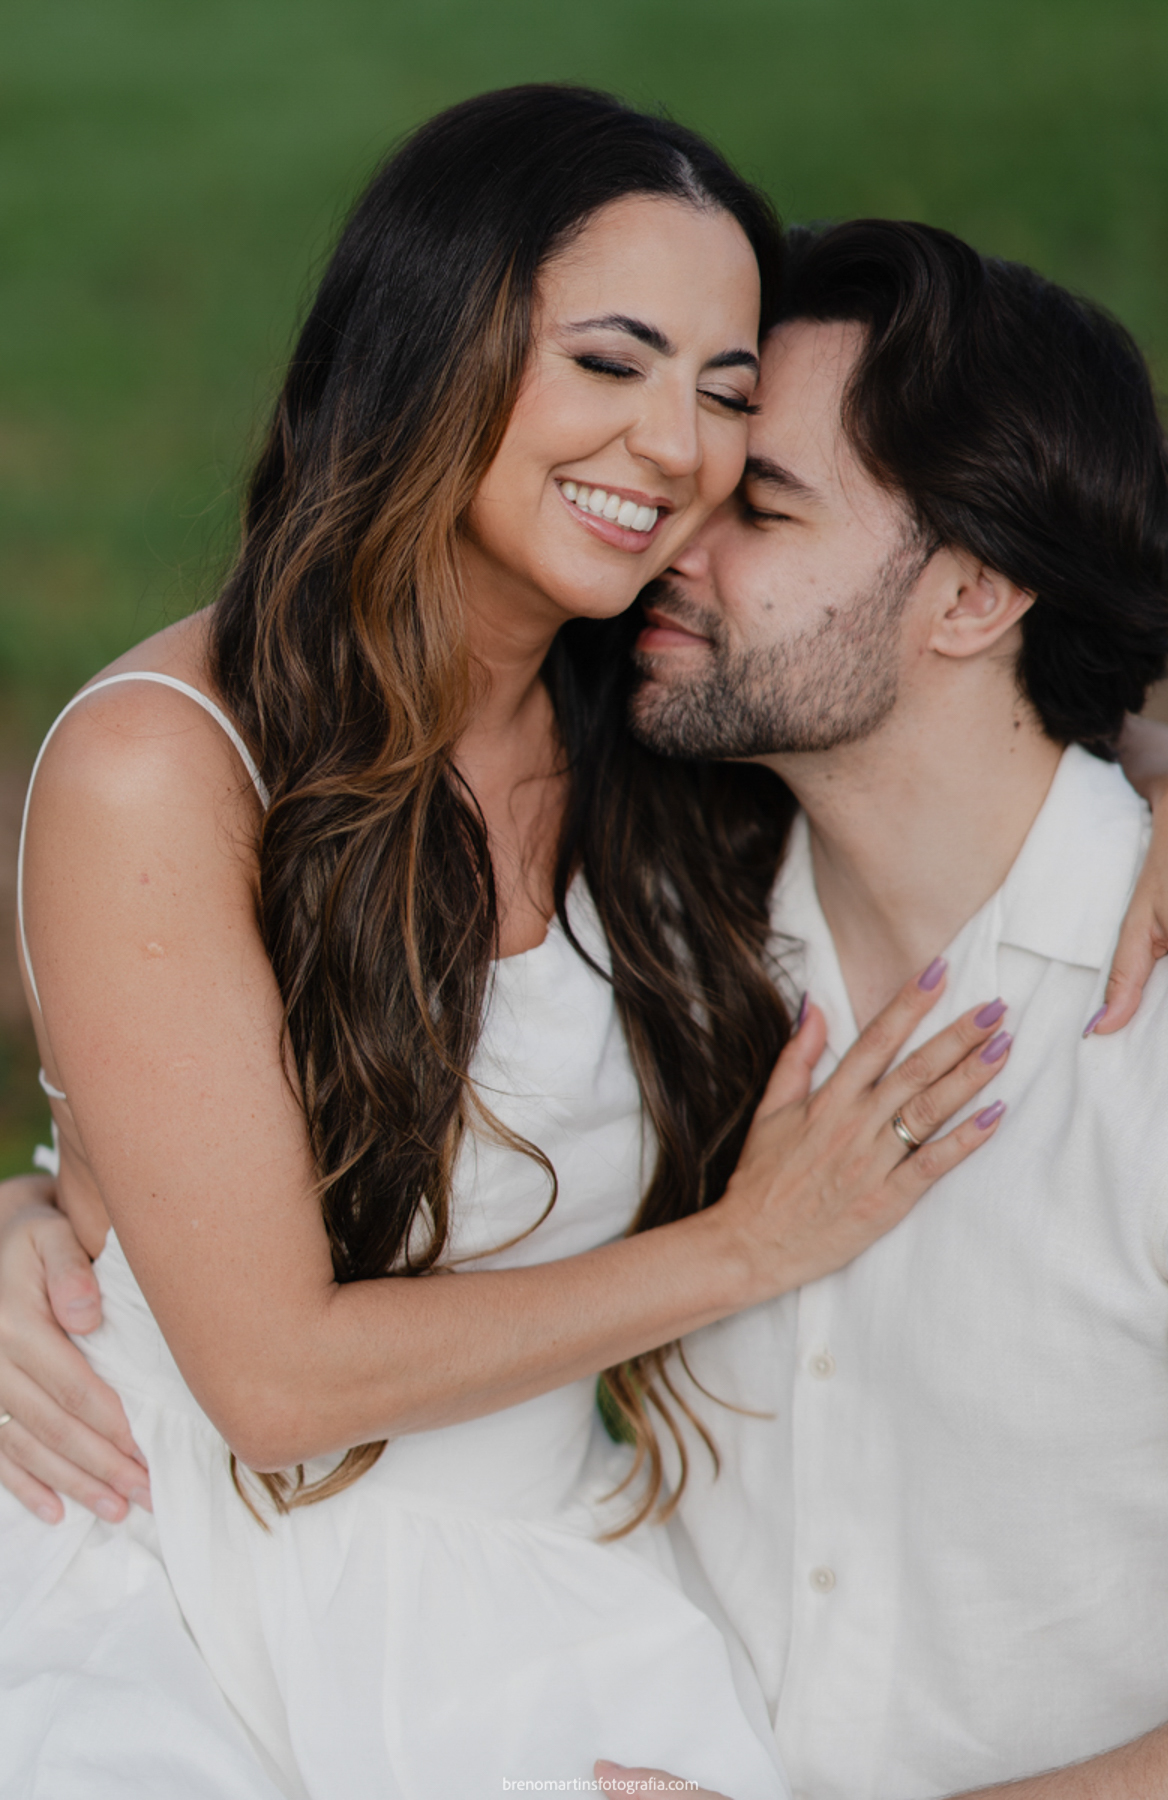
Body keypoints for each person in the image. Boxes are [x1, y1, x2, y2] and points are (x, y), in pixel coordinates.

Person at [0, 94, 1020, 1799]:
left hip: (539, 1586)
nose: (674, 447)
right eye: (610, 362)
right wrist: (749, 1247)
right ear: (428, 345)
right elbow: (271, 1381)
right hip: (169, 1567)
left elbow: (987, 723)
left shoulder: (661, 717)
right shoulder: (166, 768)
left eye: (724, 394)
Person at [613, 218, 1168, 1798]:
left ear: (973, 596)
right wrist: (38, 1230)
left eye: (761, 506)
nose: (670, 539)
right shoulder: (659, 939)